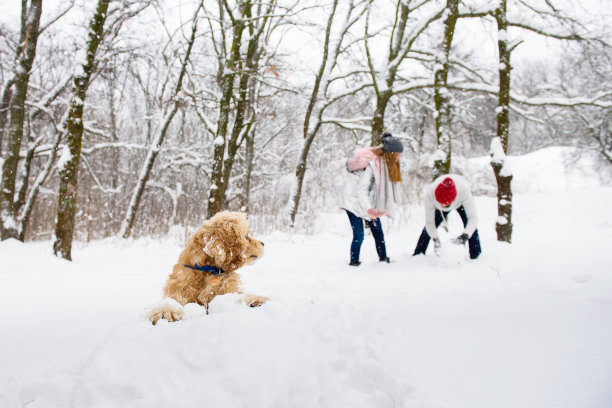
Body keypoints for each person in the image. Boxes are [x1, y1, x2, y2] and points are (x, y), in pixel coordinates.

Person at [340, 132, 404, 266]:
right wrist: (369, 209)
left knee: (378, 232)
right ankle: (354, 262)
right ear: (390, 154)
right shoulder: (373, 166)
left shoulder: (383, 165)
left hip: (366, 201)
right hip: (354, 202)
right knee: (359, 235)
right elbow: (361, 191)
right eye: (398, 154)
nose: (400, 157)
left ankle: (383, 259)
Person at [413, 174, 482, 259]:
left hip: (460, 202)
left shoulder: (464, 191)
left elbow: (473, 218)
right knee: (430, 227)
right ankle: (419, 253)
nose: (443, 205)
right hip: (438, 205)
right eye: (441, 203)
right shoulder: (430, 195)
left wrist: (465, 235)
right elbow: (430, 222)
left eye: (445, 204)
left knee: (469, 225)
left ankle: (475, 254)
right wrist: (435, 238)